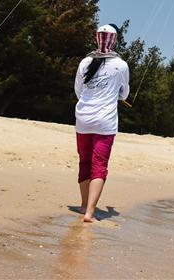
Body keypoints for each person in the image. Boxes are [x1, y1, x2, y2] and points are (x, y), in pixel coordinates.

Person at [74, 24, 129, 223]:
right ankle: (90, 211)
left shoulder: (85, 62)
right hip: (105, 120)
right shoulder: (121, 65)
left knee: (84, 161)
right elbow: (125, 94)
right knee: (99, 165)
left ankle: (83, 205)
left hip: (84, 118)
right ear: (114, 40)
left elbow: (79, 91)